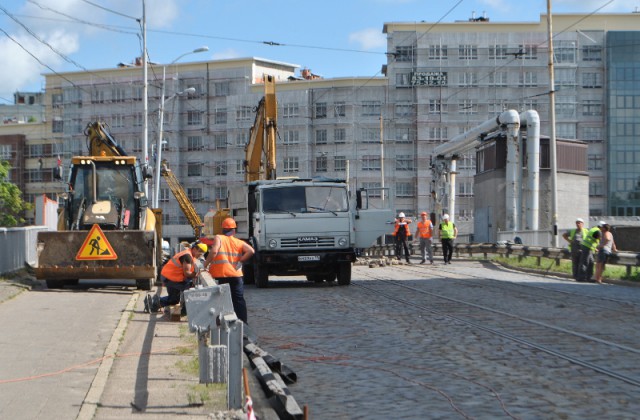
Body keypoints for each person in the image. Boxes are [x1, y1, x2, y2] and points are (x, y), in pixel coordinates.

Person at [204, 217, 254, 324]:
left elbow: (213, 252)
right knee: (239, 301)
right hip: (236, 276)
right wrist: (241, 261)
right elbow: (251, 251)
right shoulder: (239, 242)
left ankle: (221, 325)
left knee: (221, 301)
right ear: (234, 230)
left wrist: (205, 265)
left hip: (221, 276)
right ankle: (243, 325)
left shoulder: (219, 238)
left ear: (223, 229)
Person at [145, 242, 207, 313]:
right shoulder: (187, 256)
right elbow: (187, 273)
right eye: (200, 252)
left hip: (171, 276)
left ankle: (155, 303)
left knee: (174, 300)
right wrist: (197, 274)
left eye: (203, 253)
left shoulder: (190, 254)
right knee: (188, 288)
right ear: (194, 249)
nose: (200, 255)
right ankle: (185, 309)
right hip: (170, 277)